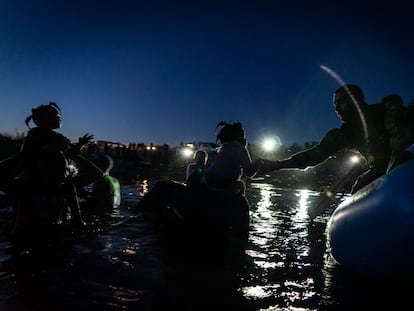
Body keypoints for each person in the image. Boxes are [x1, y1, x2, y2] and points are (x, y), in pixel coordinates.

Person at [263, 84, 399, 194]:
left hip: (404, 165)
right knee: (359, 186)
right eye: (335, 105)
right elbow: (312, 156)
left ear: (357, 101)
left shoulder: (386, 112)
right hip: (382, 172)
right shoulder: (345, 134)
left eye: (342, 102)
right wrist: (276, 165)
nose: (337, 109)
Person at [15, 102, 102, 232]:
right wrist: (48, 148)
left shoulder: (57, 136)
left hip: (59, 179)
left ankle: (77, 219)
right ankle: (19, 225)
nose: (59, 117)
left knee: (70, 187)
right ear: (40, 120)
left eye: (59, 115)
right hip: (38, 178)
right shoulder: (35, 134)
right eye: (54, 115)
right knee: (25, 197)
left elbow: (72, 152)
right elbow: (27, 155)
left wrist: (80, 145)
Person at [203, 121, 260, 195]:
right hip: (223, 183)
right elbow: (248, 173)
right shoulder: (241, 149)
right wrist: (257, 163)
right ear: (240, 136)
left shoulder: (223, 147)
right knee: (241, 185)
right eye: (244, 135)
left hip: (208, 178)